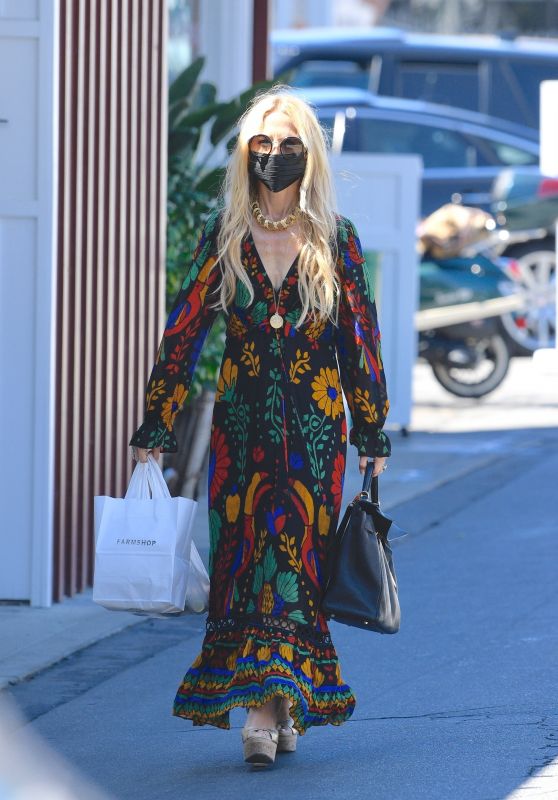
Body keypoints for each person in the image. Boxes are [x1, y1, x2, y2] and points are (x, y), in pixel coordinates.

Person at [129, 86, 391, 768]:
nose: (274, 157)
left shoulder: (337, 241)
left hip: (314, 436)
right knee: (245, 567)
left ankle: (268, 708)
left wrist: (373, 433)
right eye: (262, 145)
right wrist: (158, 420)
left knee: (295, 570)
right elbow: (182, 334)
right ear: (247, 154)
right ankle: (273, 704)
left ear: (310, 157)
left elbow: (360, 344)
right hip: (239, 433)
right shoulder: (225, 237)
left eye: (289, 147)